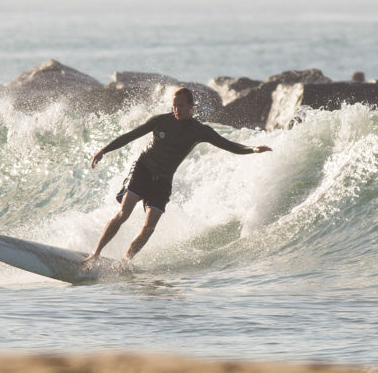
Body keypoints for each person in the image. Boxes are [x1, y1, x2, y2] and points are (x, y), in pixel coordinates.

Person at [85, 86, 271, 266]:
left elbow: (229, 145)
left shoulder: (200, 131)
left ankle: (124, 263)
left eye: (181, 105)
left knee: (149, 228)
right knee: (124, 213)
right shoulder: (160, 121)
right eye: (174, 105)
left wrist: (252, 149)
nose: (176, 109)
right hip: (143, 169)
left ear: (191, 106)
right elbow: (131, 135)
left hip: (163, 180)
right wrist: (104, 150)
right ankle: (95, 254)